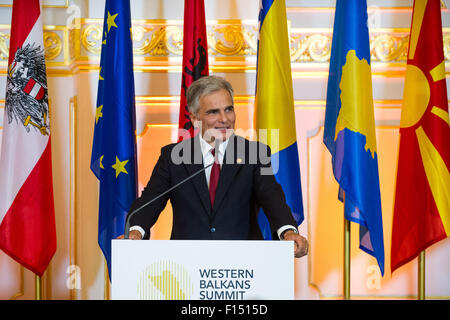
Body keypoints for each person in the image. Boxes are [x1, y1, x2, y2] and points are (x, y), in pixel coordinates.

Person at [126, 76, 308, 258]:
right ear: (194, 117)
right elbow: (150, 201)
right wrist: (135, 231)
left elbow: (273, 199)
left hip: (244, 267)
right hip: (186, 265)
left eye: (228, 109)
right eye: (213, 112)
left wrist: (288, 232)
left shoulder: (255, 154)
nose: (224, 119)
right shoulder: (173, 157)